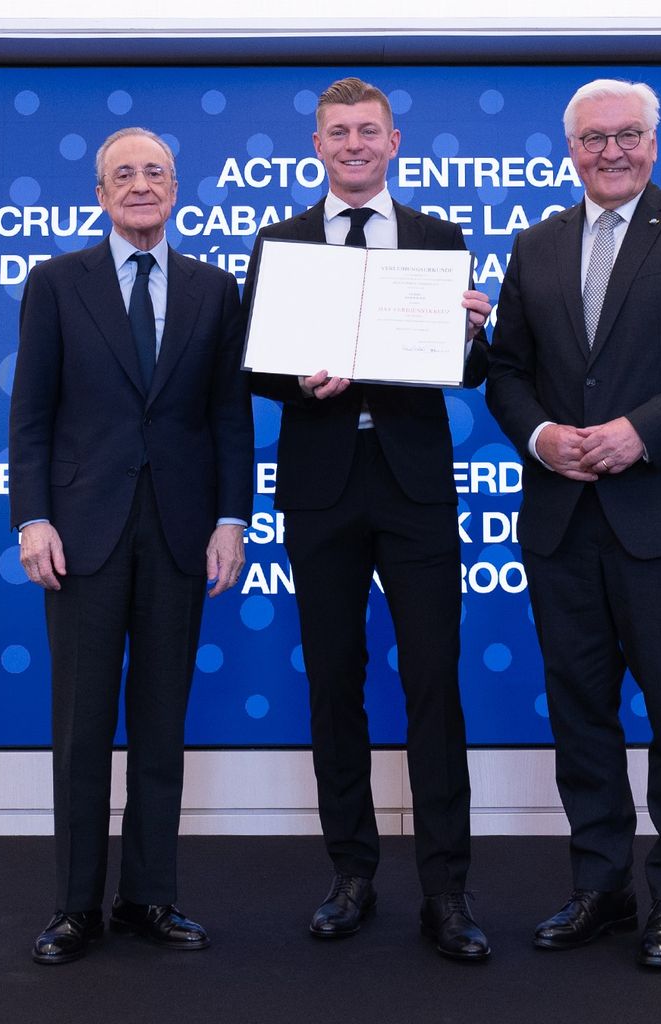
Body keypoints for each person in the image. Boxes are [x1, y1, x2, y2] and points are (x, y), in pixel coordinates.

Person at [486, 78, 661, 969]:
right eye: (593, 138)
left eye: (627, 136)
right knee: (581, 717)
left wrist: (636, 432)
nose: (610, 151)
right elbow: (506, 370)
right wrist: (538, 434)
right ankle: (599, 886)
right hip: (564, 522)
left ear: (652, 143)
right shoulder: (534, 245)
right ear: (568, 148)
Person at [243, 77, 491, 961]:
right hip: (321, 486)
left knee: (434, 684)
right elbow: (255, 367)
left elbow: (466, 372)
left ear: (394, 143)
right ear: (317, 147)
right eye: (337, 132)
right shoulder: (279, 241)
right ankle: (350, 873)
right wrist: (293, 378)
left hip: (414, 488)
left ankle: (447, 893)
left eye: (367, 131)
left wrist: (469, 335)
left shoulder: (437, 238)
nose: (353, 143)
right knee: (333, 686)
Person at [9, 127, 254, 964]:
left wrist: (232, 517)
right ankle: (75, 905)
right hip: (80, 532)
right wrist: (31, 517)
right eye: (124, 175)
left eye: (154, 172)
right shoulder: (55, 282)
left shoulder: (213, 289)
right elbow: (32, 415)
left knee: (161, 721)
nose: (141, 185)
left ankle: (150, 896)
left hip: (183, 530)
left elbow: (228, 417)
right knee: (81, 726)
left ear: (176, 187)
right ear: (100, 194)